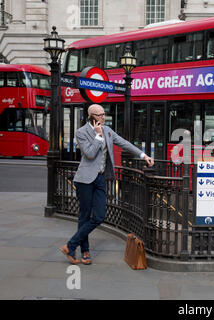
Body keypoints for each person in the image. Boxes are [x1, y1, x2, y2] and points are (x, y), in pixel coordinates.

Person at [60, 104, 154, 264]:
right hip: (84, 179)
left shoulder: (108, 130)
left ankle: (70, 245)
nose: (103, 117)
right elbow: (89, 154)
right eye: (100, 114)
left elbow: (124, 143)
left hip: (100, 178)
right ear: (91, 116)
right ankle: (85, 251)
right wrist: (97, 137)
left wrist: (143, 155)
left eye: (104, 114)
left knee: (99, 216)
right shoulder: (81, 132)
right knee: (84, 216)